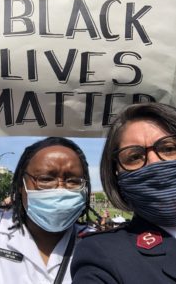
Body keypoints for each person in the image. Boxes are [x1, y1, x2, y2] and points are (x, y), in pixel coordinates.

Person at [0, 136, 99, 284]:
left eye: (73, 181)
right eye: (45, 179)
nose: (60, 189)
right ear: (21, 186)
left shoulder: (99, 245)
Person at [71, 102, 176, 284]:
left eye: (168, 148)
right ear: (116, 174)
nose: (154, 162)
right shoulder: (102, 254)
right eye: (134, 157)